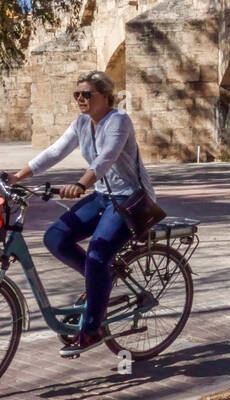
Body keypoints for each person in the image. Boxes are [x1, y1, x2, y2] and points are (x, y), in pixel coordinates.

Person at [9, 70, 156, 357]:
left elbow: (107, 156)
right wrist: (17, 177)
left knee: (98, 255)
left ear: (104, 96)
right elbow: (54, 152)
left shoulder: (119, 121)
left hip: (130, 199)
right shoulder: (81, 124)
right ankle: (99, 281)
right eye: (76, 94)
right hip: (103, 195)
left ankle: (92, 329)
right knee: (56, 238)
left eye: (86, 94)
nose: (80, 99)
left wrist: (81, 183)